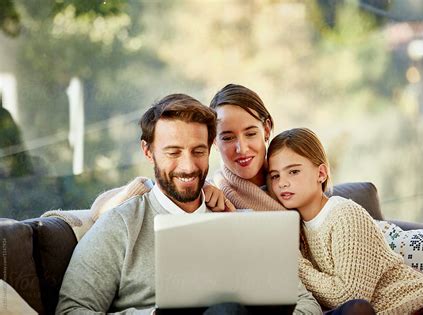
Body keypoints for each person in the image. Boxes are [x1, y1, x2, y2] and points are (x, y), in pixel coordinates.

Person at [94, 84, 375, 314]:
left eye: (250, 133)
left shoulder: (292, 185)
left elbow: (309, 286)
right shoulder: (220, 199)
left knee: (357, 310)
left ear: (267, 129)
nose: (241, 148)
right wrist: (145, 187)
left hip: (318, 286)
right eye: (227, 137)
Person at [56, 94, 321, 314]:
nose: (188, 166)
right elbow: (72, 311)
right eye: (173, 152)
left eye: (198, 152)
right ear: (148, 152)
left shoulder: (238, 222)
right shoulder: (121, 225)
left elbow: (306, 303)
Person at [267, 127, 423, 315]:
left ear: (321, 173)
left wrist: (294, 262)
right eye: (275, 176)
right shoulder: (297, 228)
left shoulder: (344, 215)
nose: (282, 183)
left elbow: (349, 296)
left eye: (293, 171)